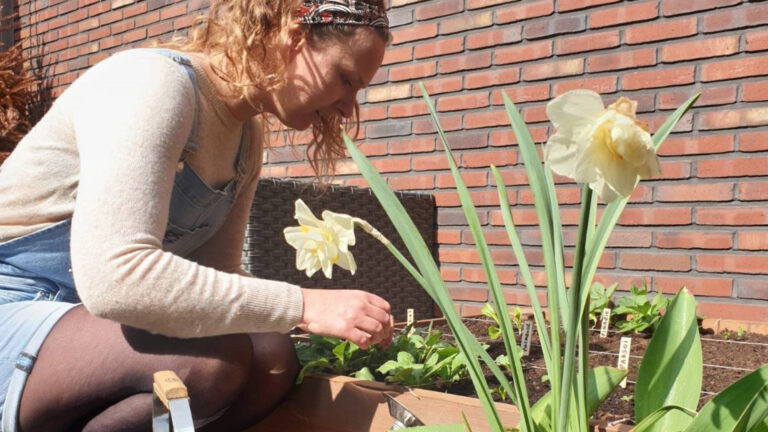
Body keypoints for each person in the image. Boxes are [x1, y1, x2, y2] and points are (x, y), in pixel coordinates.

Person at [0, 0, 393, 430]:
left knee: (271, 355)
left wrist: (307, 310)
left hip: (85, 323)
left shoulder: (246, 136)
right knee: (205, 364)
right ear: (292, 38)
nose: (347, 109)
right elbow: (117, 279)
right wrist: (303, 305)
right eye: (344, 79)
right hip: (16, 302)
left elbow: (213, 273)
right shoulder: (153, 85)